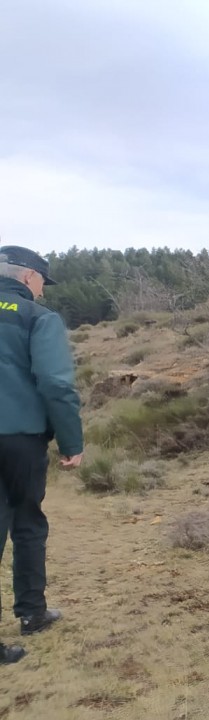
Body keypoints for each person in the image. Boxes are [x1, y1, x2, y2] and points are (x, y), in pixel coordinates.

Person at [0, 246, 83, 662]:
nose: (43, 291)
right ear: (29, 277)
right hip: (18, 440)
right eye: (41, 283)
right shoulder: (35, 317)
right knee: (28, 524)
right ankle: (32, 614)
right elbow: (56, 384)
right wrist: (72, 443)